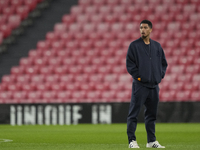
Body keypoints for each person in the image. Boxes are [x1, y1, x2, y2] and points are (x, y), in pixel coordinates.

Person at [126, 20, 168, 148]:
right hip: (140, 86)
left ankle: (151, 141)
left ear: (150, 30)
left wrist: (159, 76)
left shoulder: (157, 46)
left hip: (154, 86)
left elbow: (163, 63)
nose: (142, 30)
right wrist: (139, 77)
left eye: (145, 27)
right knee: (134, 114)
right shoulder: (134, 46)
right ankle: (132, 141)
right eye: (141, 28)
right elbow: (130, 65)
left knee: (151, 115)